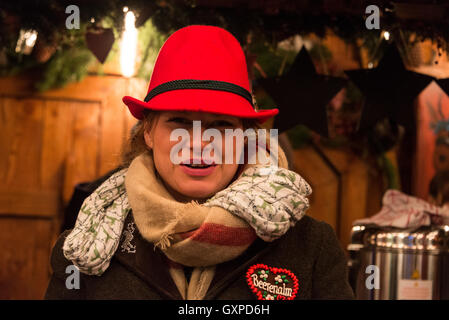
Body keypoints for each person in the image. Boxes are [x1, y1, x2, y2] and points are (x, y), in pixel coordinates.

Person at [45, 25, 354, 300]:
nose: (197, 143)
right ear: (149, 132)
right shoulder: (89, 241)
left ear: (245, 136)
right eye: (179, 121)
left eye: (220, 125)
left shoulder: (312, 248)